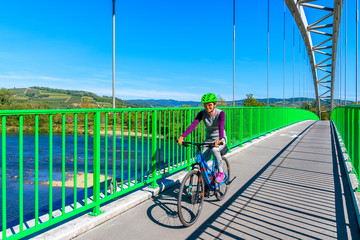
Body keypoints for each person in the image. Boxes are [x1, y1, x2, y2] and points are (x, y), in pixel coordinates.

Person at [178, 93, 227, 183]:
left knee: (215, 150)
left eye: (210, 105)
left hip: (220, 138)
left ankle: (220, 172)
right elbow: (193, 125)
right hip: (208, 139)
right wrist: (182, 136)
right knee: (202, 161)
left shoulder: (221, 113)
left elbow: (221, 126)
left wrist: (220, 139)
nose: (207, 107)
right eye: (205, 105)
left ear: (214, 104)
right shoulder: (202, 113)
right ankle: (207, 183)